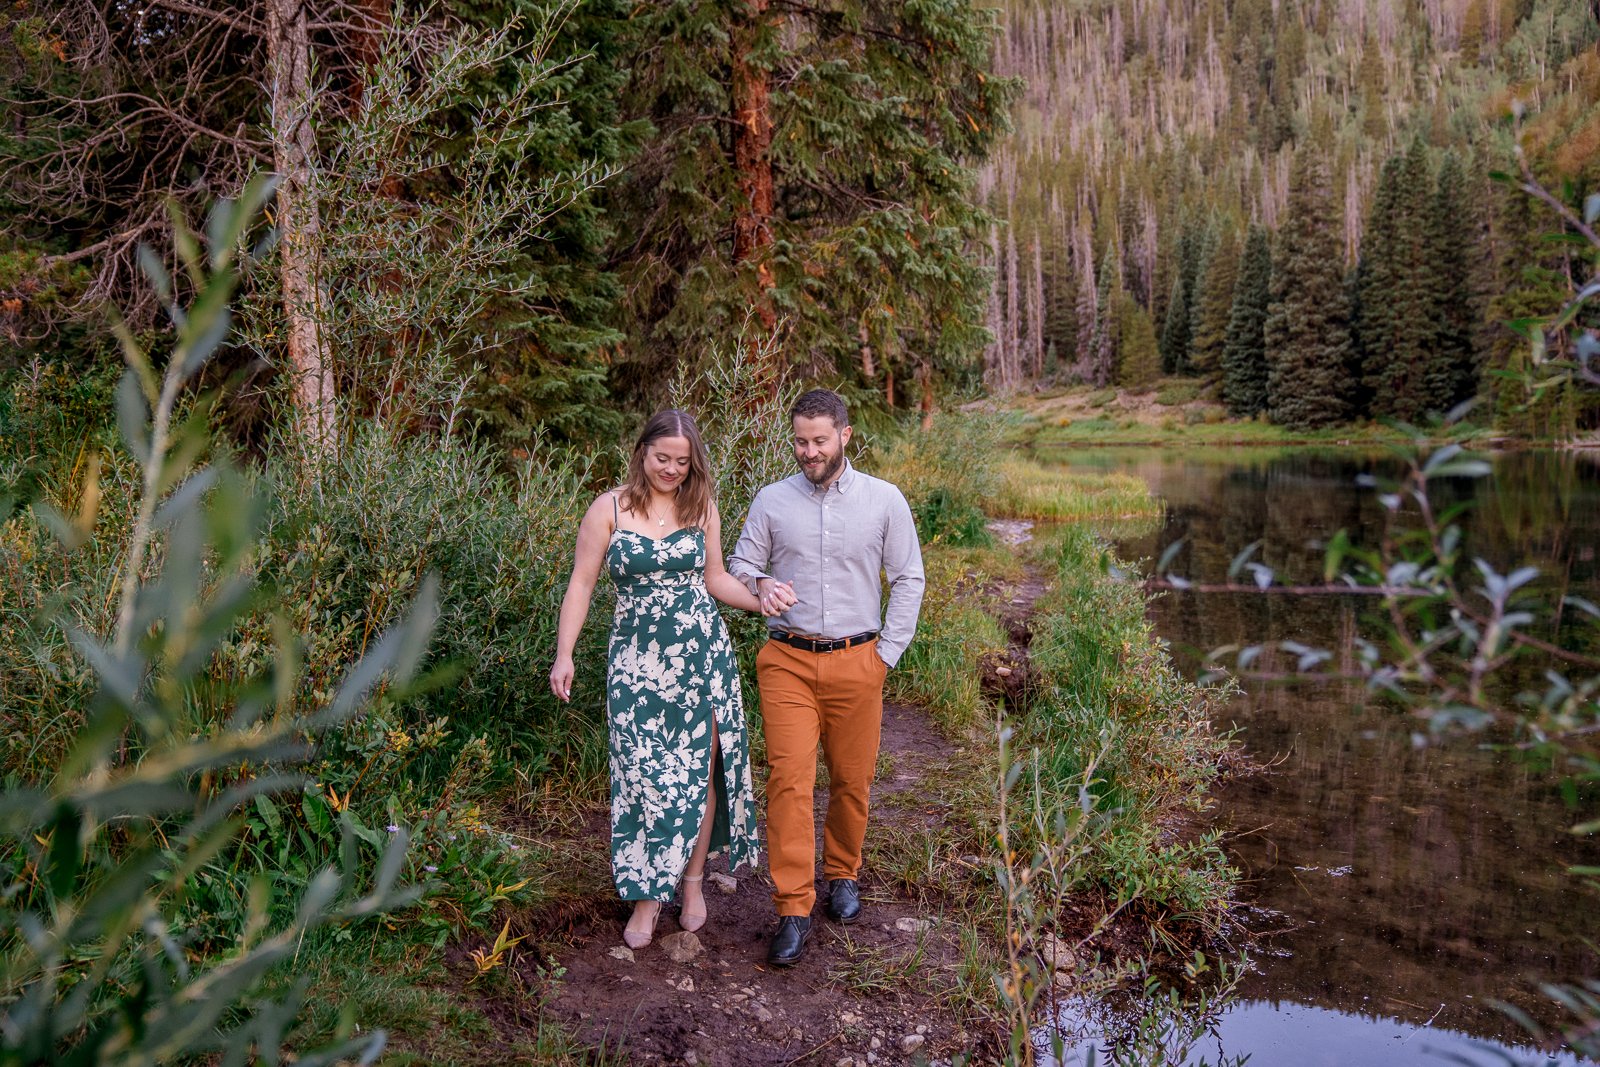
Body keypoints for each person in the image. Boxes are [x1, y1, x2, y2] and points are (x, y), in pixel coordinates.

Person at [550, 409, 767, 949]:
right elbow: (581, 584)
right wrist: (565, 654)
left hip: (702, 656)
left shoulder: (702, 506)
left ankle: (692, 886)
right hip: (636, 663)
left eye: (681, 461)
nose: (670, 469)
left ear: (694, 463)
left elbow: (716, 579)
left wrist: (764, 601)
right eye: (661, 458)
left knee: (700, 768)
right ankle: (648, 896)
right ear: (642, 452)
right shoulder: (610, 507)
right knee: (644, 773)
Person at [729, 388, 925, 966]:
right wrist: (759, 585)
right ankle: (793, 905)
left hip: (858, 660)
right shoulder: (772, 500)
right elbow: (740, 565)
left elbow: (909, 578)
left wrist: (886, 653)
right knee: (789, 780)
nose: (808, 452)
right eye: (799, 441)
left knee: (852, 778)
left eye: (818, 440)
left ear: (845, 434)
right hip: (786, 660)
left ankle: (842, 873)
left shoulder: (885, 501)